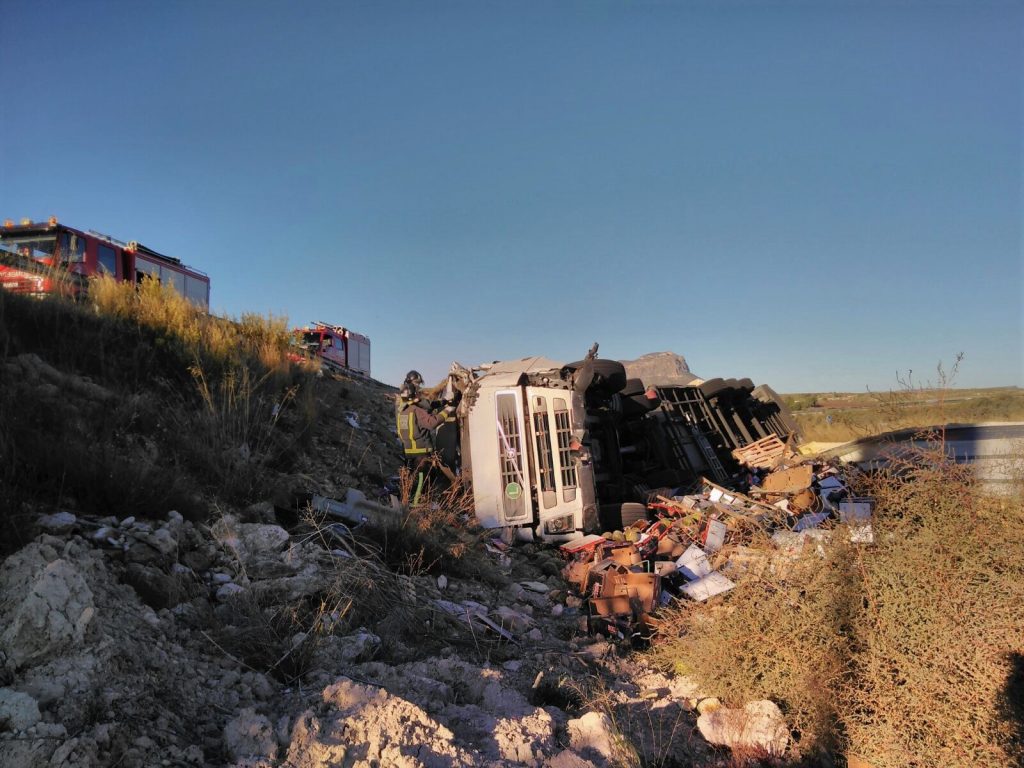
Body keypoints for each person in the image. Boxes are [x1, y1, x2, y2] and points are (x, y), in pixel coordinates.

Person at [394, 369, 455, 470]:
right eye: (416, 383)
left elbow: (426, 404)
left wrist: (443, 401)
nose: (418, 386)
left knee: (413, 478)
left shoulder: (401, 403)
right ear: (409, 382)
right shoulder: (413, 407)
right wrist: (447, 410)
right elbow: (431, 421)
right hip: (421, 450)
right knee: (423, 480)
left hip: (408, 450)